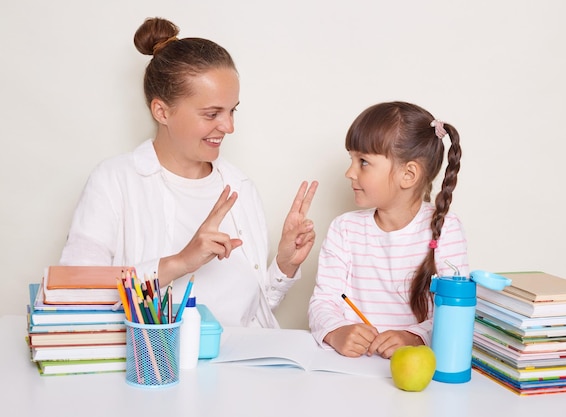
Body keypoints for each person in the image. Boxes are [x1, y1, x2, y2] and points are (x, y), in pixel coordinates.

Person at [59, 17, 318, 328]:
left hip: (237, 371)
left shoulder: (239, 188)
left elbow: (249, 315)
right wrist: (180, 262)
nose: (229, 127)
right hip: (151, 368)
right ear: (162, 111)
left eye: (232, 110)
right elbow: (74, 291)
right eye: (212, 114)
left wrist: (283, 266)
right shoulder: (114, 182)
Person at [308, 101, 468, 358]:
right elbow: (323, 302)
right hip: (349, 371)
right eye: (351, 159)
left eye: (363, 162)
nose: (349, 172)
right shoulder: (344, 229)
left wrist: (414, 337)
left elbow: (453, 312)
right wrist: (337, 331)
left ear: (408, 174)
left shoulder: (446, 229)